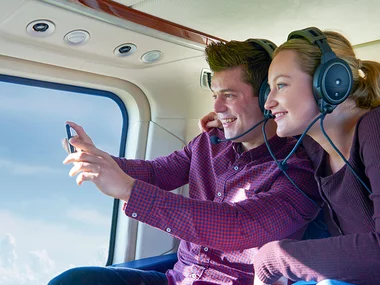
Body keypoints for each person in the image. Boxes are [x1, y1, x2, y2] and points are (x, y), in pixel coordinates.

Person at [48, 39, 322, 285]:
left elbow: (238, 226)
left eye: (229, 95)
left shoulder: (300, 172)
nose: (217, 108)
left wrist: (129, 190)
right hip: (177, 278)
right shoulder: (208, 143)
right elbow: (157, 173)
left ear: (266, 98)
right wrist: (100, 161)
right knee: (74, 281)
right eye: (215, 95)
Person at [200, 27, 380, 285]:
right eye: (268, 90)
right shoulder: (314, 144)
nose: (268, 102)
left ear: (332, 82)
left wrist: (272, 258)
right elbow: (263, 129)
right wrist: (228, 120)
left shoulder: (376, 127)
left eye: (281, 85)